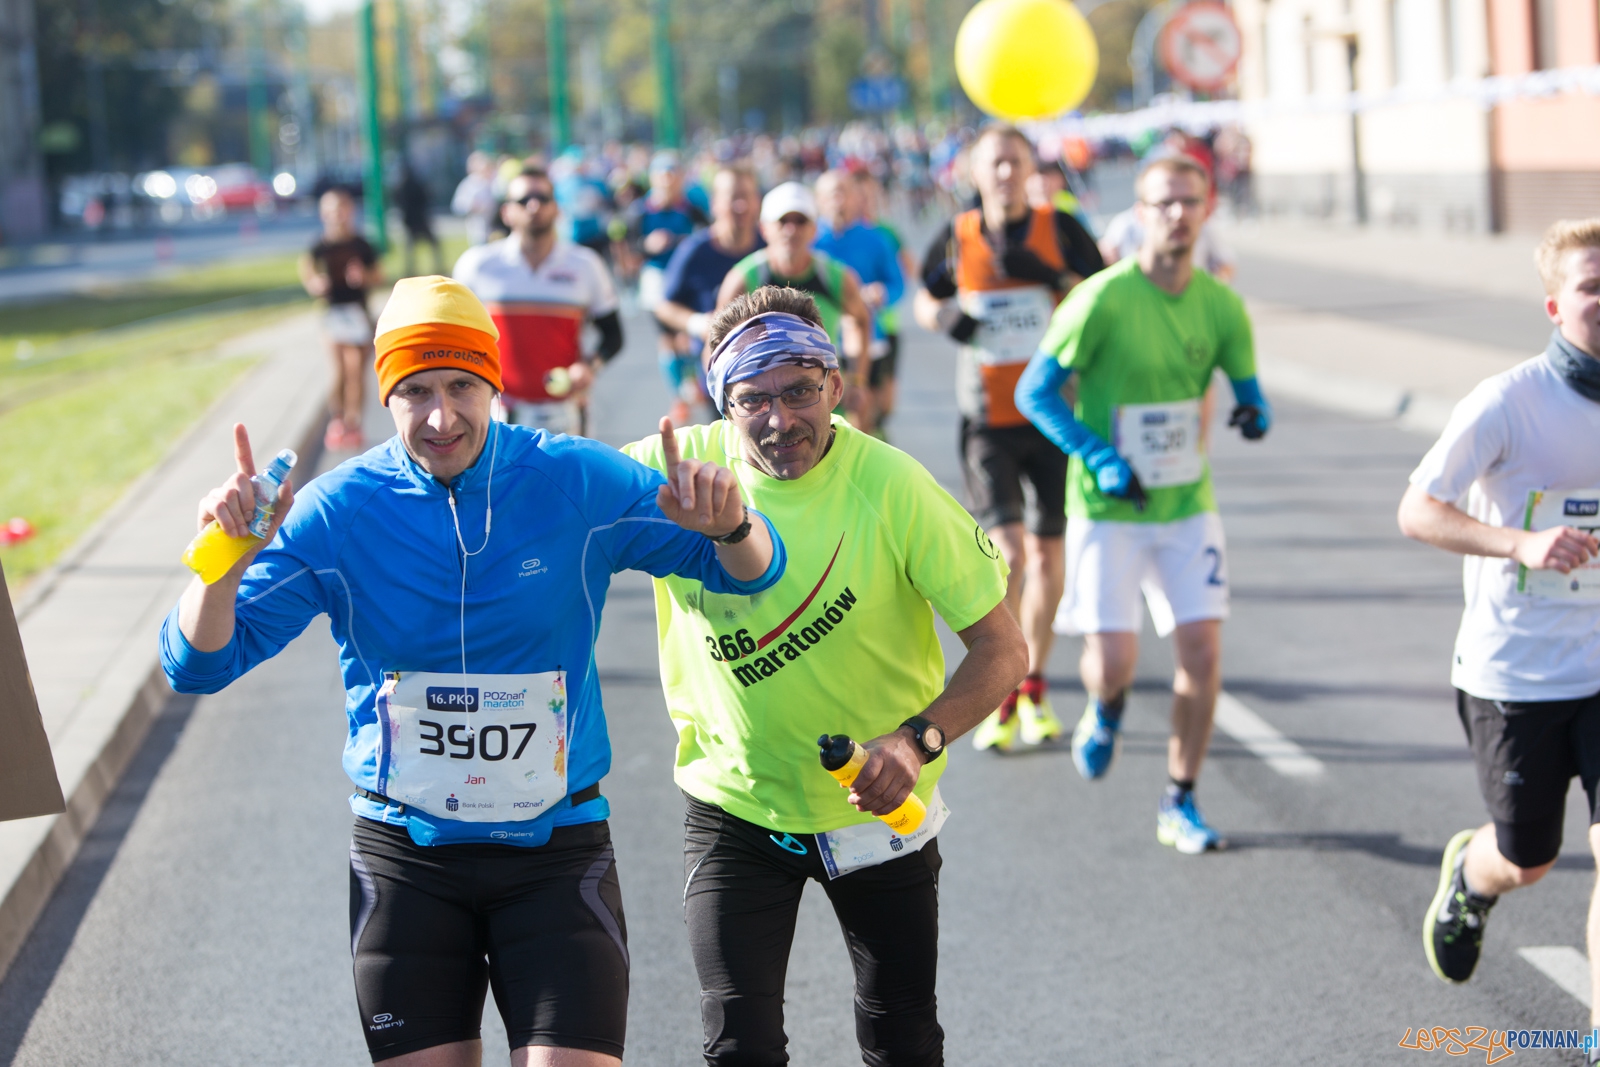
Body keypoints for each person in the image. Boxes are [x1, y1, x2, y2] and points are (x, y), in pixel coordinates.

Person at [159, 275, 785, 1067]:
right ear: (386, 395)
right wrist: (221, 563)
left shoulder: (575, 481)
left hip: (555, 852)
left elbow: (750, 571)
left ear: (493, 382)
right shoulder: (337, 510)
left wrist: (734, 524)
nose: (439, 416)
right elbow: (196, 664)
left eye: (461, 386)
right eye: (414, 390)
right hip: (407, 862)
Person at [623, 285, 1027, 1067]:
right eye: (754, 400)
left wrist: (916, 742)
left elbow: (1004, 650)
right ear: (721, 404)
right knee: (739, 1047)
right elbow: (541, 496)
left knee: (901, 1037)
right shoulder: (673, 472)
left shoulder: (893, 486)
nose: (781, 419)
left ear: (836, 387)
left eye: (801, 391)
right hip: (736, 805)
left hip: (878, 806)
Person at [1014, 154, 1270, 855]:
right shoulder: (1100, 298)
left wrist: (1254, 409)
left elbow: (1246, 384)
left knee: (1202, 651)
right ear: (1140, 211)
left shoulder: (1220, 304)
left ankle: (1179, 797)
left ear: (1207, 208)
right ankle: (1108, 704)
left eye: (1189, 201)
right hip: (1108, 508)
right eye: (1163, 203)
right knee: (1116, 658)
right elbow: (1032, 392)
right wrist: (1097, 453)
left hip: (1187, 503)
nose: (1177, 215)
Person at [1398, 219, 1600, 1037]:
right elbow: (1417, 509)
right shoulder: (1509, 400)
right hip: (1515, 671)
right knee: (1529, 857)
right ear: (1557, 307)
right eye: (1593, 287)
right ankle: (1473, 877)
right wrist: (1520, 542)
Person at [913, 123, 1104, 752]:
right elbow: (925, 297)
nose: (1004, 174)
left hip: (1052, 415)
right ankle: (1004, 686)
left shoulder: (1063, 228)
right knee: (1012, 555)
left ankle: (1034, 686)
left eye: (1014, 162)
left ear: (1030, 169)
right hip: (987, 416)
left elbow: (1099, 296)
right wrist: (951, 320)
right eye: (993, 164)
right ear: (975, 172)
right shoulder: (960, 233)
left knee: (1049, 557)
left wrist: (1052, 278)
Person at [453, 165, 624, 437]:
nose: (534, 206)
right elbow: (454, 337)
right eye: (523, 200)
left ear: (557, 208)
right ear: (506, 212)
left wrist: (590, 367)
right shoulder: (477, 265)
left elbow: (613, 334)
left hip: (566, 412)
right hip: (496, 412)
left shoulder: (586, 265)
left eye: (543, 199)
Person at [716, 181, 875, 429]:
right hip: (760, 400)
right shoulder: (743, 278)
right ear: (764, 228)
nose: (791, 230)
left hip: (819, 394)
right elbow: (716, 343)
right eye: (782, 221)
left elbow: (860, 320)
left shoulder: (836, 277)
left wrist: (857, 379)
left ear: (813, 229)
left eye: (800, 221)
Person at [654, 164, 765, 427]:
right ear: (715, 204)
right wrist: (698, 323)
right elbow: (664, 306)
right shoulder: (695, 250)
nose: (740, 206)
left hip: (770, 365)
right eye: (731, 198)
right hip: (719, 368)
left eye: (746, 197)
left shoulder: (769, 245)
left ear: (757, 202)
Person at [814, 169, 905, 438]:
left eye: (844, 192)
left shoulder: (876, 239)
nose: (838, 201)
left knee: (871, 409)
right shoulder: (810, 241)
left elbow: (897, 283)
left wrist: (882, 294)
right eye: (832, 194)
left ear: (856, 198)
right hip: (823, 339)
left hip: (871, 336)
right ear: (819, 200)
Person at [626, 151, 709, 424]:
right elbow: (630, 245)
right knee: (668, 341)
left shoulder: (691, 208)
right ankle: (678, 397)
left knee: (688, 337)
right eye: (663, 176)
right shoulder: (641, 211)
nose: (668, 181)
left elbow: (707, 235)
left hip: (687, 278)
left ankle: (690, 381)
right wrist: (647, 246)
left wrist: (681, 240)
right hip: (657, 278)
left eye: (673, 175)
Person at [299, 187, 381, 453]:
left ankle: (354, 422)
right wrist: (315, 283)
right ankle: (337, 421)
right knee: (337, 371)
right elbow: (306, 268)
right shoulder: (319, 245)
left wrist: (363, 277)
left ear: (351, 211)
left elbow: (378, 274)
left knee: (356, 369)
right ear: (324, 214)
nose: (337, 215)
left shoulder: (361, 244)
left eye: (342, 209)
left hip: (357, 312)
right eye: (331, 210)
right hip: (332, 313)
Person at [397, 162, 444, 277]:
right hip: (418, 220)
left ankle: (412, 270)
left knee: (413, 248)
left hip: (414, 221)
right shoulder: (409, 185)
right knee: (421, 246)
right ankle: (414, 269)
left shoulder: (402, 186)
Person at [451, 151, 499, 246]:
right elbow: (458, 205)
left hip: (496, 227)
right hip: (478, 229)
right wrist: (472, 206)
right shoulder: (470, 184)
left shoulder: (494, 181)